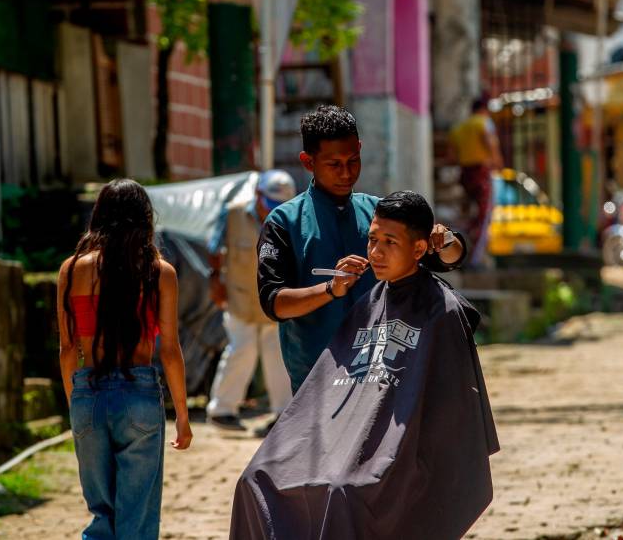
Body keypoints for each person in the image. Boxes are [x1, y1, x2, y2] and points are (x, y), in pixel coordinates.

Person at [232, 191, 499, 539]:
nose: (376, 252)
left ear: (419, 250)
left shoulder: (441, 310)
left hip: (395, 456)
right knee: (256, 478)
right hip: (348, 441)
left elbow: (444, 417)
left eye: (390, 242)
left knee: (343, 491)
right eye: (372, 240)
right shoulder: (367, 304)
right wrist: (331, 288)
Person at [257, 105, 466, 394]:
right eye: (334, 164)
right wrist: (331, 289)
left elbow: (447, 259)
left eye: (353, 160)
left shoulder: (381, 214)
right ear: (308, 161)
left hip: (383, 376)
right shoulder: (284, 222)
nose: (346, 173)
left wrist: (445, 241)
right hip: (317, 381)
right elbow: (274, 303)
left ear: (360, 148)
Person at [57, 178, 192, 539]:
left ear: (98, 216)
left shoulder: (71, 270)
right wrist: (181, 413)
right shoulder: (159, 273)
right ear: (145, 219)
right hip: (138, 394)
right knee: (137, 518)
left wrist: (76, 402)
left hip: (89, 393)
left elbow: (68, 349)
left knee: (101, 517)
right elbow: (170, 351)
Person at [205, 170, 295, 432]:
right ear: (257, 195)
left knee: (277, 355)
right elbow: (214, 249)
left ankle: (283, 416)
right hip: (240, 298)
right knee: (240, 351)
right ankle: (222, 412)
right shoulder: (232, 214)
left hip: (276, 301)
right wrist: (215, 282)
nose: (272, 211)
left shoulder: (292, 218)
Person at [447, 93, 504, 256]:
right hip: (482, 173)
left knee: (469, 214)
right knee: (483, 217)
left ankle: (461, 249)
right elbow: (490, 143)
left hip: (465, 175)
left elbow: (452, 158)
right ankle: (475, 258)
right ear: (484, 109)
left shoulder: (458, 128)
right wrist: (497, 162)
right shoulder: (484, 124)